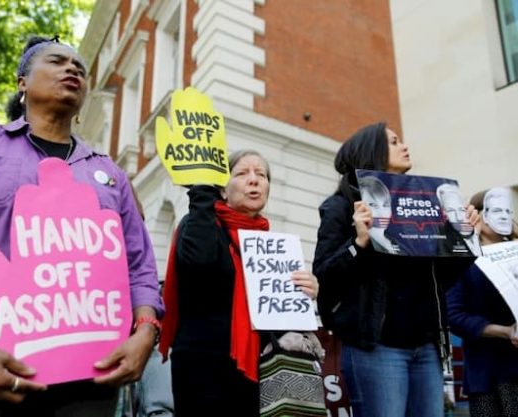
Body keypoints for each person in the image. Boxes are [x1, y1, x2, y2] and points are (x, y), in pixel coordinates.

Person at [0, 35, 163, 417]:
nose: (72, 69)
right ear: (22, 81)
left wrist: (145, 334)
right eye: (56, 61)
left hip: (89, 387)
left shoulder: (111, 176)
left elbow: (139, 267)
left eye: (80, 68)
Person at [313, 122, 479, 417]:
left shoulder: (424, 202)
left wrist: (465, 240)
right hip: (376, 347)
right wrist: (359, 241)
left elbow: (443, 280)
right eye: (393, 141)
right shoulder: (340, 207)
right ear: (371, 150)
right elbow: (325, 275)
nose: (404, 145)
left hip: (425, 346)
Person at [158, 150, 320, 416]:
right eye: (242, 173)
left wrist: (307, 290)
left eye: (262, 174)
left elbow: (276, 314)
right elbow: (199, 263)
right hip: (203, 371)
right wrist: (202, 193)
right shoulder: (198, 224)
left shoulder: (272, 246)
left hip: (257, 370)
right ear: (223, 190)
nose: (254, 180)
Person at [446, 187, 518, 417]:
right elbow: (454, 314)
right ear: (478, 215)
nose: (505, 216)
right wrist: (505, 331)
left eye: (509, 210)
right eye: (496, 210)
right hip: (488, 374)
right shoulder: (462, 260)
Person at [436, 183, 482, 256]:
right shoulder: (443, 238)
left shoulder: (476, 229)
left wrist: (476, 236)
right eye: (451, 211)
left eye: (461, 210)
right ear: (444, 213)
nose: (459, 217)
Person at [357, 175, 399, 254]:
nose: (383, 213)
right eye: (373, 205)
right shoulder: (356, 242)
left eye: (386, 205)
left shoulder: (397, 242)